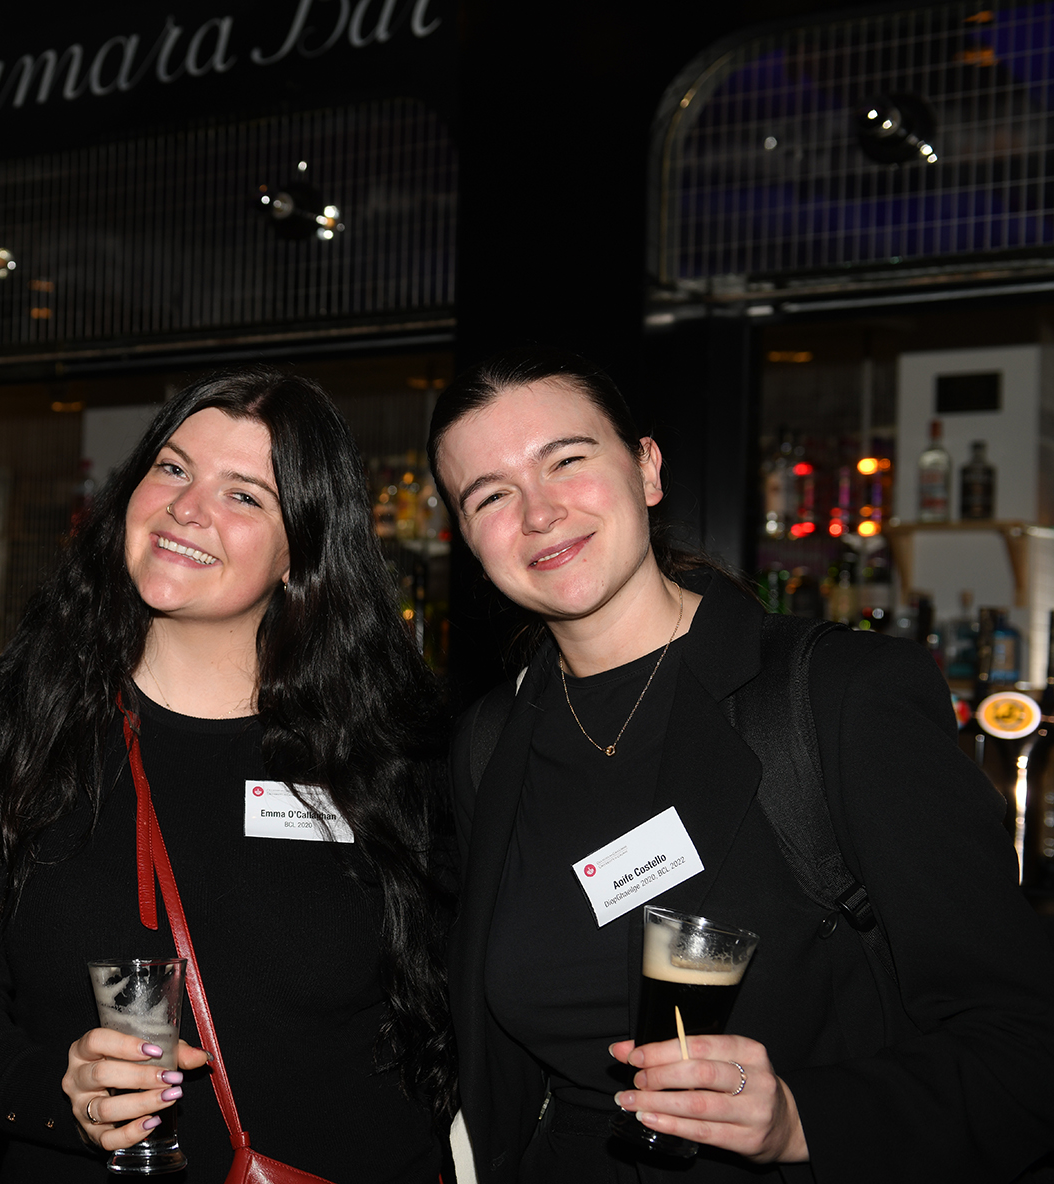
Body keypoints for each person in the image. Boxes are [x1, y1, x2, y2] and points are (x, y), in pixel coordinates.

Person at [428, 350, 1054, 1183]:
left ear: (646, 469)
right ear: (467, 539)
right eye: (490, 495)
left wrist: (801, 1120)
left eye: (567, 462)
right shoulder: (487, 745)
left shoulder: (834, 696)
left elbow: (1026, 1042)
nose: (538, 513)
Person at [0, 368, 454, 1182]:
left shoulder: (388, 754)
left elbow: (453, 1025)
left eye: (244, 495)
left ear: (299, 552)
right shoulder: (20, 729)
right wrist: (58, 1092)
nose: (186, 507)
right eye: (172, 468)